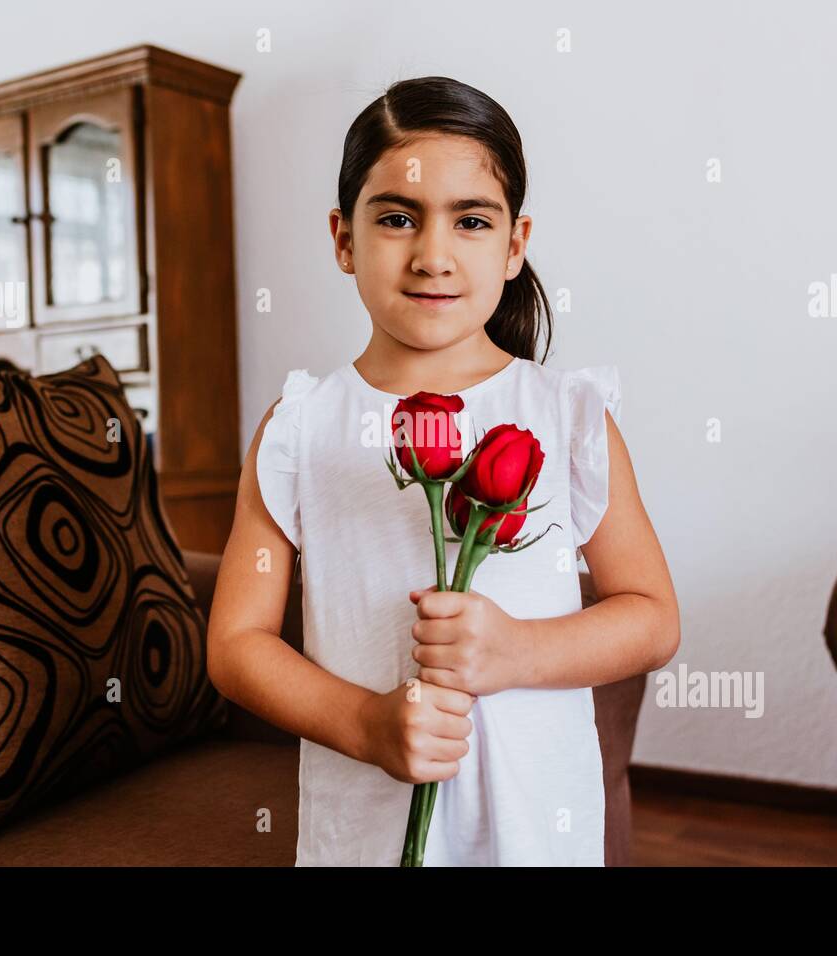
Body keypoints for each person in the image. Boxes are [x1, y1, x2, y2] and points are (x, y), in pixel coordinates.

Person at [207, 75, 679, 866]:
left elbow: (653, 617)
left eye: (471, 221)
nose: (433, 255)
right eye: (397, 218)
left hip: (535, 826)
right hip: (366, 826)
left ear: (515, 244)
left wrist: (519, 652)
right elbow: (235, 645)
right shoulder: (300, 428)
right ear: (343, 238)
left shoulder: (568, 416)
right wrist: (364, 723)